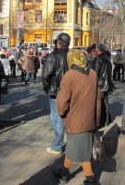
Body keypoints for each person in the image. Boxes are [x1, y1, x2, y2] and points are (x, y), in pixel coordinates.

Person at [54, 49, 101, 184]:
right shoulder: (92, 73)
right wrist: (96, 119)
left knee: (82, 149)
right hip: (89, 118)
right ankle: (64, 171)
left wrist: (61, 112)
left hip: (75, 118)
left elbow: (62, 100)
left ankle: (89, 178)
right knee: (75, 146)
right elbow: (98, 99)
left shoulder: (69, 75)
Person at [42, 33, 71, 155]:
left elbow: (45, 76)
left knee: (57, 118)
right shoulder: (72, 56)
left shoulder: (52, 57)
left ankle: (57, 146)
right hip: (70, 91)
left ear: (58, 42)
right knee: (68, 117)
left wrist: (48, 89)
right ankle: (72, 143)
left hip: (56, 92)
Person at [94, 43, 115, 128]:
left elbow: (95, 72)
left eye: (95, 49)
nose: (94, 50)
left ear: (99, 50)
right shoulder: (107, 58)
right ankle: (107, 120)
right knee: (105, 103)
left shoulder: (98, 59)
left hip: (100, 84)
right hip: (106, 84)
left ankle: (101, 122)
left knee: (100, 104)